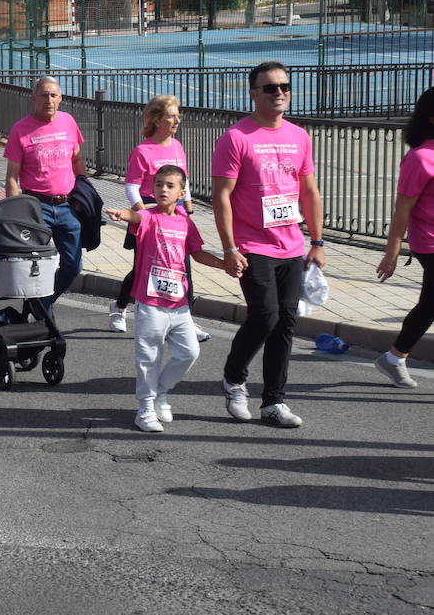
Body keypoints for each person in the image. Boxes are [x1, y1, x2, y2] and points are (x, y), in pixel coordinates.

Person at [213, 60, 323, 428]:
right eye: (270, 87)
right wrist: (229, 248)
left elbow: (309, 190)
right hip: (251, 245)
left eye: (284, 87)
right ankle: (234, 378)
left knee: (285, 324)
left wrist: (317, 241)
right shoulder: (236, 138)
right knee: (265, 316)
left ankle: (274, 402)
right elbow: (222, 196)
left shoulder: (299, 136)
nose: (279, 93)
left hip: (291, 245)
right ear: (253, 94)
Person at [105, 166, 225, 432]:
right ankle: (145, 409)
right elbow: (135, 216)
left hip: (178, 304)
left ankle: (161, 391)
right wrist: (122, 213)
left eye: (170, 186)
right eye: (159, 184)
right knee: (149, 355)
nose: (163, 189)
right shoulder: (149, 217)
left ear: (182, 193)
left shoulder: (185, 222)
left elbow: (197, 253)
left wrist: (223, 264)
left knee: (189, 352)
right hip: (151, 302)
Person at [108, 97, 209, 343]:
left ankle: (186, 319)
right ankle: (119, 307)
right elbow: (131, 186)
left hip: (176, 213)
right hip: (149, 210)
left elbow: (183, 179)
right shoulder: (143, 151)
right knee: (143, 267)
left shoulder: (177, 146)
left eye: (178, 116)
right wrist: (144, 214)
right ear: (156, 120)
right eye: (171, 116)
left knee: (182, 266)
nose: (177, 120)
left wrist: (187, 205)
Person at [3, 76, 86, 315]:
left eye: (53, 95)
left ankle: (40, 305)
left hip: (68, 206)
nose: (48, 100)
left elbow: (77, 159)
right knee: (36, 267)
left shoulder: (68, 121)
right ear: (34, 98)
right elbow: (11, 177)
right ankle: (43, 321)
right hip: (36, 207)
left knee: (73, 266)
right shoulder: (20, 129)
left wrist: (84, 192)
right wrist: (15, 213)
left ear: (60, 98)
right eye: (43, 95)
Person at [376, 86, 434, 388]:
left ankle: (395, 357)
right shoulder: (420, 158)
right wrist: (392, 252)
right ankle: (395, 357)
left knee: (429, 305)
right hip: (430, 241)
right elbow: (402, 210)